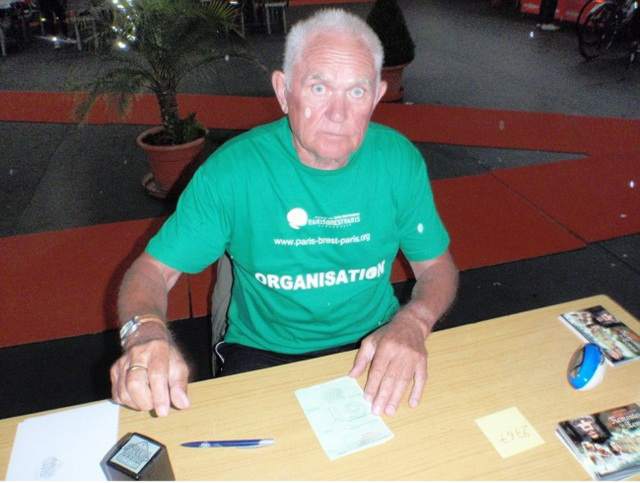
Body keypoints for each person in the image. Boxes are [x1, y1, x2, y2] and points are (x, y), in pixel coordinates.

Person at [110, 8, 459, 419]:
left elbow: (438, 269)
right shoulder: (234, 171)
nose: (338, 113)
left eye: (357, 92)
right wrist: (145, 332)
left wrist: (414, 321)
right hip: (263, 349)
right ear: (283, 91)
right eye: (318, 88)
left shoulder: (398, 161)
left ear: (378, 97)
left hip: (376, 339)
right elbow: (152, 272)